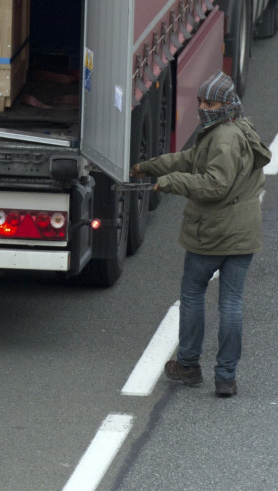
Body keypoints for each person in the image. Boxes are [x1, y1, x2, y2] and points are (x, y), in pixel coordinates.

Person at [130, 70, 270, 397]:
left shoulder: (221, 138)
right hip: (243, 235)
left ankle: (190, 365)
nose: (204, 106)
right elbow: (190, 159)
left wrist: (169, 182)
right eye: (202, 100)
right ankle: (226, 377)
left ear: (226, 103)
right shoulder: (238, 127)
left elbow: (213, 185)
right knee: (232, 302)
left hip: (212, 234)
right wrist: (151, 166)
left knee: (193, 294)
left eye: (211, 102)